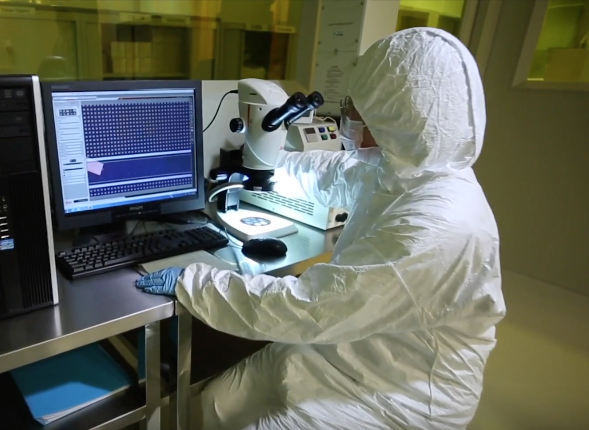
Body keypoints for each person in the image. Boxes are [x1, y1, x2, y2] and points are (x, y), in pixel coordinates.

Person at [135, 28, 505, 429]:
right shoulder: (405, 172)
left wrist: (196, 283)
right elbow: (336, 172)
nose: (349, 117)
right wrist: (265, 163)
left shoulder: (441, 227)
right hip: (339, 347)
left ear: (399, 119)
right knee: (213, 403)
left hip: (399, 394)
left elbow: (311, 306)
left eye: (357, 108)